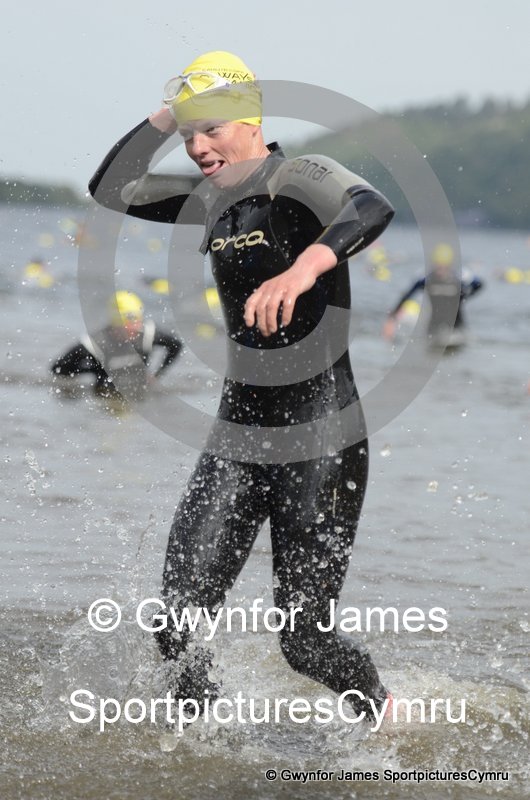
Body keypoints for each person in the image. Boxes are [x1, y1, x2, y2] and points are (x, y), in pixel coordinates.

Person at [88, 51, 395, 722]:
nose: (198, 147)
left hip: (321, 434)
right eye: (188, 135)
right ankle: (207, 750)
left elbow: (370, 206)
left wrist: (303, 270)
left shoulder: (297, 176)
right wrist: (171, 113)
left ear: (251, 121)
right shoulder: (209, 200)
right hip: (238, 437)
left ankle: (386, 717)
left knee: (306, 643)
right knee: (176, 624)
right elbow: (111, 187)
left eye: (213, 129)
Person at [51, 290, 182, 400]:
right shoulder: (96, 343)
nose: (135, 327)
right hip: (105, 395)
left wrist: (157, 374)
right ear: (115, 323)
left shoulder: (147, 334)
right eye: (129, 322)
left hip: (139, 394)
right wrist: (94, 370)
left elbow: (176, 346)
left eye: (138, 321)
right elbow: (58, 368)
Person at [383, 243, 484, 348]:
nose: (441, 269)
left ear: (450, 264)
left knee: (456, 344)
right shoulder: (426, 277)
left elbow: (479, 285)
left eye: (444, 266)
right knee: (429, 347)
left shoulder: (460, 275)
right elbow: (407, 295)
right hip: (434, 322)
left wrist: (464, 296)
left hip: (456, 323)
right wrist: (392, 318)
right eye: (438, 265)